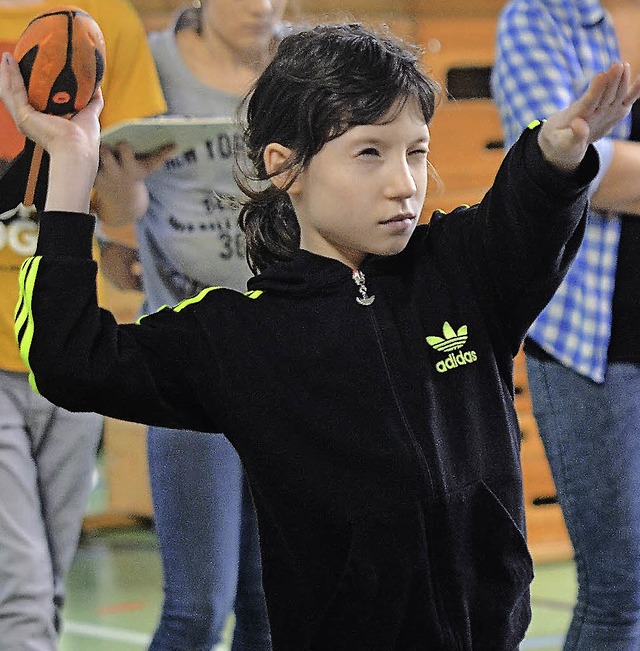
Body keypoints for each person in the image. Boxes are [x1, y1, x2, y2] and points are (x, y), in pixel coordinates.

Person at [3, 22, 640, 651]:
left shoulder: (464, 272)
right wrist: (72, 165)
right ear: (286, 168)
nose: (405, 182)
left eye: (415, 150)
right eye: (370, 152)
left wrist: (556, 157)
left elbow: (524, 213)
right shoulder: (241, 335)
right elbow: (69, 358)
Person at [92, 1, 291, 648]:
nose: (260, 7)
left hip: (285, 361)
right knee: (198, 608)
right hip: (188, 364)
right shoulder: (152, 66)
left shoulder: (300, 65)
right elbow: (100, 199)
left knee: (270, 607)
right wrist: (116, 223)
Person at [0, 1, 166, 648]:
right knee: (22, 584)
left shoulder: (107, 22)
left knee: (49, 579)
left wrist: (125, 194)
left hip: (63, 339)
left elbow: (118, 199)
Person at [491, 0, 640, 647]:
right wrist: (595, 161)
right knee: (621, 591)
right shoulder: (540, 17)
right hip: (592, 345)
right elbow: (575, 167)